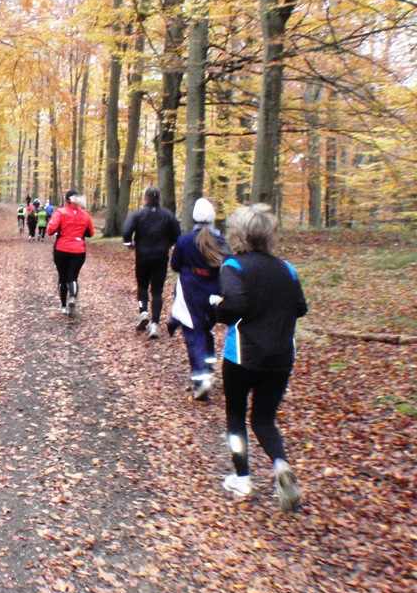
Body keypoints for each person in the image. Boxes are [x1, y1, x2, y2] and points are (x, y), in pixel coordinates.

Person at [214, 204, 308, 513]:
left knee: (236, 417)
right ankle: (281, 464)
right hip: (281, 357)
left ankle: (242, 478)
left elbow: (235, 305)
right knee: (264, 419)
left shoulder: (234, 266)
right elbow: (300, 307)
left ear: (237, 234)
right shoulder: (287, 269)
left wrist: (218, 307)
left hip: (241, 355)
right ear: (268, 234)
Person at [168, 198, 231, 400]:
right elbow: (229, 264)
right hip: (214, 289)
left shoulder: (185, 240)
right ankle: (209, 367)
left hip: (190, 290)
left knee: (193, 332)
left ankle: (201, 378)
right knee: (206, 328)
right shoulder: (220, 240)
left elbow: (175, 265)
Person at [122, 185, 181, 339]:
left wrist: (129, 243)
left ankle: (143, 312)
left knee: (142, 286)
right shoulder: (168, 215)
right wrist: (170, 245)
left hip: (142, 256)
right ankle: (155, 324)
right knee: (157, 291)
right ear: (159, 198)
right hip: (160, 257)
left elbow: (126, 231)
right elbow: (177, 235)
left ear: (145, 198)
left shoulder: (138, 214)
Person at [46, 191, 95, 316]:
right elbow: (91, 233)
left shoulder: (60, 212)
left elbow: (50, 230)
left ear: (66, 200)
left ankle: (63, 306)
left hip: (61, 249)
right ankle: (72, 297)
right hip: (79, 250)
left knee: (62, 277)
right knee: (73, 277)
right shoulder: (85, 215)